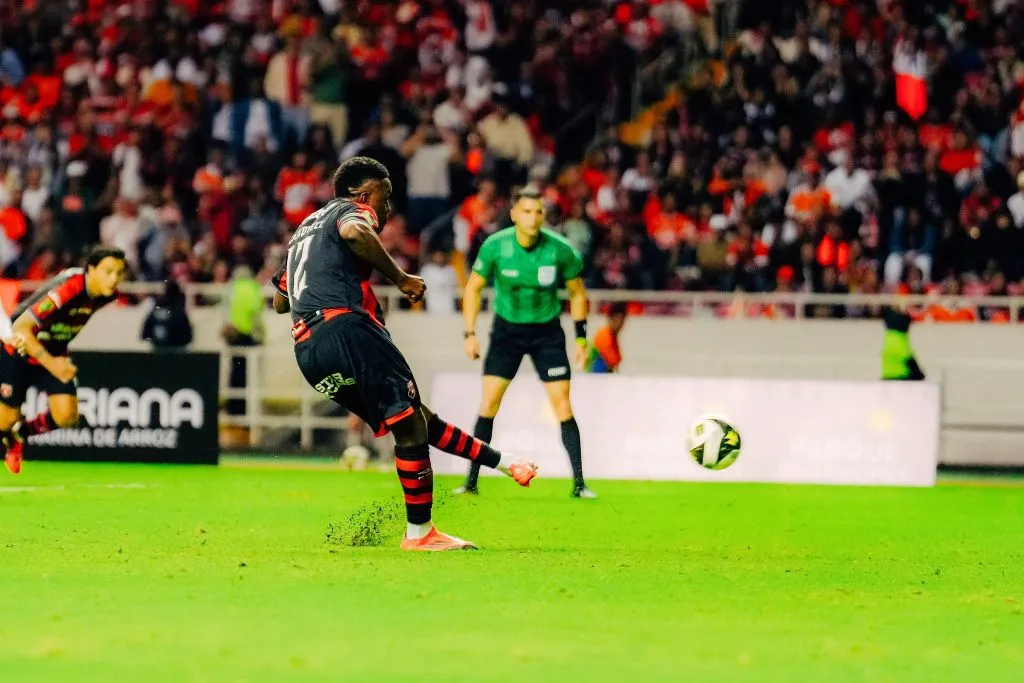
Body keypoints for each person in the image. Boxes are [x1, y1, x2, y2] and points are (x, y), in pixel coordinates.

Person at [270, 157, 537, 552]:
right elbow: (356, 232)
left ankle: (506, 463)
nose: (388, 208)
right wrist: (402, 278)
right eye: (386, 197)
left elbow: (280, 301)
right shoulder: (350, 211)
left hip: (308, 349)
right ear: (364, 194)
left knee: (415, 421)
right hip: (346, 330)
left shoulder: (305, 229)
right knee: (410, 425)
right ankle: (420, 535)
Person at [458, 186, 596, 498]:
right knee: (489, 404)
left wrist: (582, 339)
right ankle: (471, 482)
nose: (533, 218)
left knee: (563, 404)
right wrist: (469, 333)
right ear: (514, 215)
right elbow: (473, 288)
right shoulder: (495, 246)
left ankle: (579, 484)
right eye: (527, 211)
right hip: (506, 332)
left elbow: (577, 293)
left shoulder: (560, 250)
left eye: (538, 212)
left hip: (547, 333)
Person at [0, 247, 128, 474]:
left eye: (119, 273)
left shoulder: (107, 295)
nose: (114, 279)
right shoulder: (71, 286)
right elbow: (21, 327)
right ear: (91, 269)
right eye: (108, 271)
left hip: (53, 351)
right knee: (4, 420)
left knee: (67, 415)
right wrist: (54, 364)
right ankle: (10, 432)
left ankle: (18, 435)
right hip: (19, 347)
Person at [141, 281, 193, 350]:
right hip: (177, 355)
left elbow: (144, 335)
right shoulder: (179, 314)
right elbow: (188, 337)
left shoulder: (155, 312)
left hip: (157, 353)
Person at [881, 304, 925, 381]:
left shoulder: (889, 337)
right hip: (901, 377)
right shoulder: (898, 338)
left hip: (887, 375)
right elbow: (907, 358)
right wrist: (918, 374)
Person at [586, 303, 627, 374]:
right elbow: (613, 360)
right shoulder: (604, 335)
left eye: (622, 321)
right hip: (595, 377)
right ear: (610, 319)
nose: (620, 325)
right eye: (617, 320)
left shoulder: (612, 336)